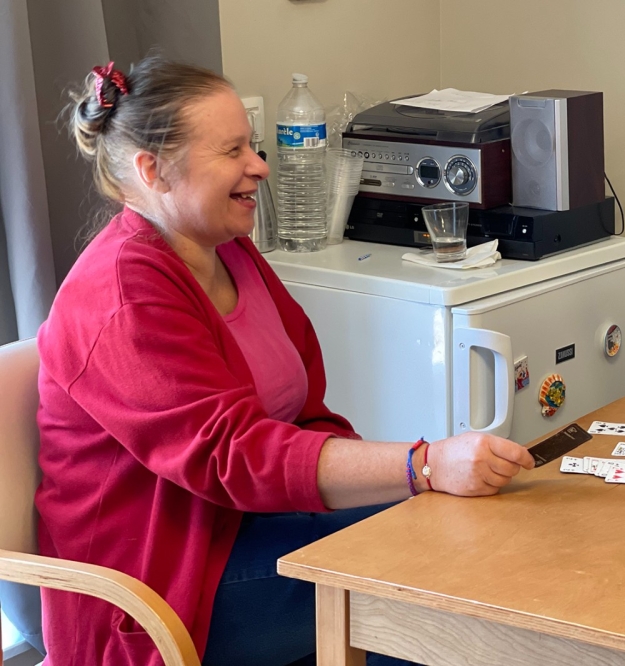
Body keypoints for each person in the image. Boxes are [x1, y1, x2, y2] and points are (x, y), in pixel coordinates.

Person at [35, 55, 535, 666]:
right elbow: (234, 456)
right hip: (168, 587)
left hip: (254, 529)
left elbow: (305, 414)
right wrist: (422, 466)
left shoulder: (230, 253)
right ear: (153, 171)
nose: (260, 168)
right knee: (435, 591)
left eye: (254, 146)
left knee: (450, 534)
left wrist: (408, 489)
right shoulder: (121, 293)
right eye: (232, 151)